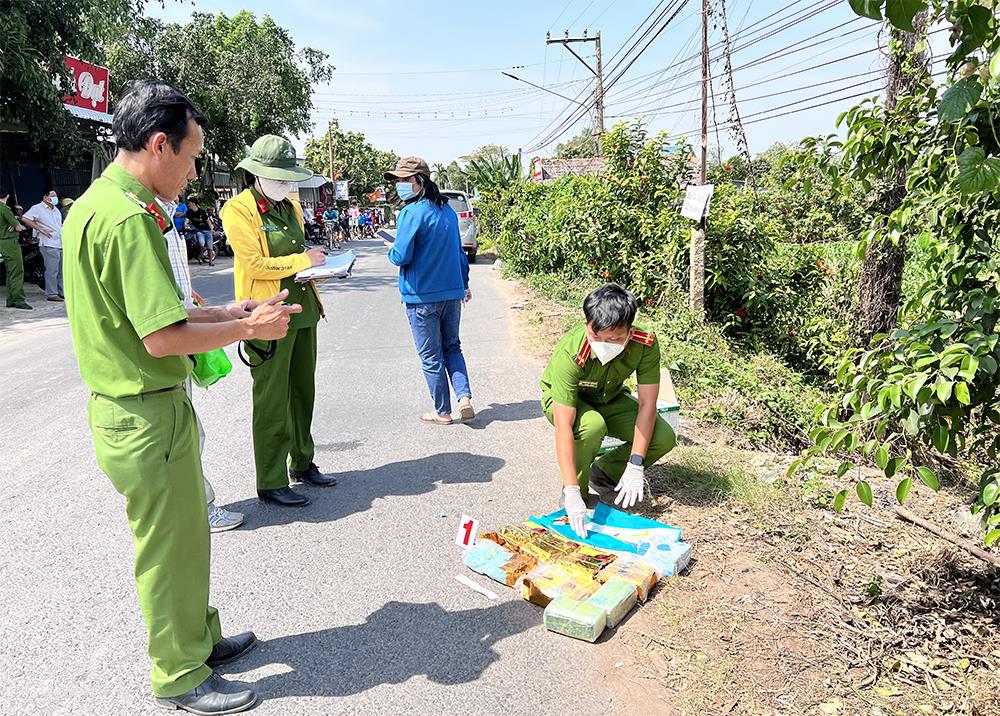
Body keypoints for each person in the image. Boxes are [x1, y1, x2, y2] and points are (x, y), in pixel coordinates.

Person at [62, 80, 301, 713]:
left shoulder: (99, 205)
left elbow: (155, 314)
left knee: (188, 535)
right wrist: (248, 327)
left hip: (139, 411)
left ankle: (198, 638)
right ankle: (179, 673)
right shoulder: (128, 218)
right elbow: (165, 337)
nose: (195, 173)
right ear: (159, 144)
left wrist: (228, 310)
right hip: (144, 412)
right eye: (192, 157)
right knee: (170, 550)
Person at [221, 134, 335, 508]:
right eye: (279, 176)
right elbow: (253, 263)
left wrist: (322, 264)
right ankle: (270, 480)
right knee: (272, 397)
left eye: (289, 177)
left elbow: (298, 252)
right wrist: (304, 261)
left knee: (303, 391)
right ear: (257, 173)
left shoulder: (291, 206)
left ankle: (302, 461)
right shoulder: (238, 210)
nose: (286, 184)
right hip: (267, 313)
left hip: (303, 310)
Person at [540, 283, 677, 539]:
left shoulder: (644, 344)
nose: (604, 344)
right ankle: (578, 491)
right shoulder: (570, 352)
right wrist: (570, 489)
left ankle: (604, 472)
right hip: (569, 401)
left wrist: (636, 464)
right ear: (587, 324)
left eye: (614, 339)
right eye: (596, 336)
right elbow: (563, 425)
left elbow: (647, 404)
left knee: (663, 437)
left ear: (629, 331)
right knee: (591, 426)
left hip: (611, 398)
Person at [161, 194, 245, 533]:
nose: (193, 174)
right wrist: (240, 326)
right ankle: (198, 508)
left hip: (180, 318)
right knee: (185, 435)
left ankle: (192, 506)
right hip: (168, 341)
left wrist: (189, 295)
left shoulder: (166, 216)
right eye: (190, 159)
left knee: (188, 432)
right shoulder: (140, 220)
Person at [384, 156, 474, 425]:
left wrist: (391, 250)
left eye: (404, 180)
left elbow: (401, 256)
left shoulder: (411, 213)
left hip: (421, 296)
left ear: (420, 181)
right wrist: (464, 284)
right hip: (452, 292)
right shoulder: (447, 211)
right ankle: (464, 398)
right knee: (453, 348)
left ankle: (443, 411)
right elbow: (459, 253)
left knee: (431, 356)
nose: (399, 184)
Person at [20, 188, 64, 302]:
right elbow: (25, 218)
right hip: (48, 243)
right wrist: (40, 229)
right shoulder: (37, 208)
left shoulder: (56, 210)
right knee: (52, 270)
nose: (55, 198)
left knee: (61, 270)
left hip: (59, 242)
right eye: (52, 196)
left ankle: (62, 291)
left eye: (56, 196)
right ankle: (52, 293)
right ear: (45, 197)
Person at [1, 192, 31, 309]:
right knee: (17, 272)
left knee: (10, 273)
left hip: (2, 243)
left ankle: (11, 299)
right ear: (7, 196)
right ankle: (19, 300)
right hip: (10, 242)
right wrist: (14, 226)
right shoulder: (5, 209)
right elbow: (18, 227)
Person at [186, 198, 214, 264]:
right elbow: (186, 219)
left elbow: (208, 221)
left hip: (207, 230)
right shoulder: (189, 212)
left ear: (193, 203)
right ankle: (201, 255)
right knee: (201, 243)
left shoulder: (202, 212)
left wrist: (212, 230)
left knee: (210, 247)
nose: (188, 205)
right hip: (199, 231)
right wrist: (185, 224)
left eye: (189, 203)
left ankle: (210, 261)